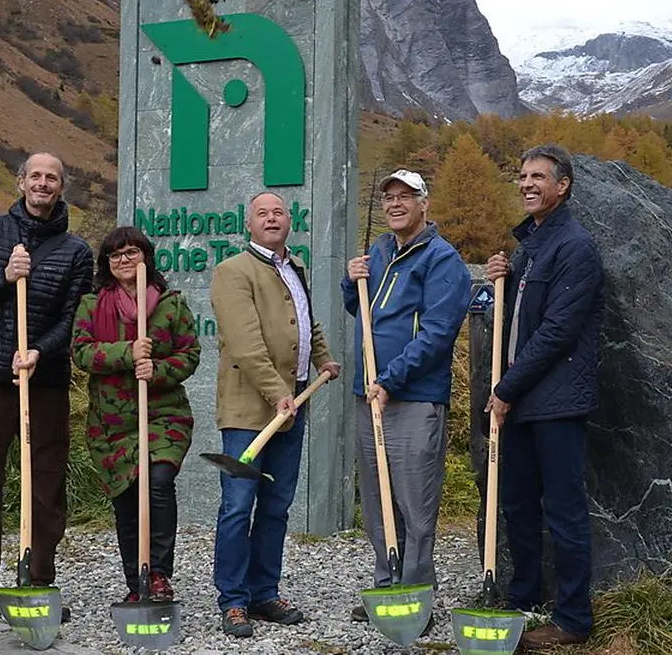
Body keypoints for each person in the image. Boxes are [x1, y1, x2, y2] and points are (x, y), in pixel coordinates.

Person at [0, 152, 93, 620]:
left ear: (61, 187)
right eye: (36, 176)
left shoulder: (76, 251)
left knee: (46, 485)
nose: (43, 184)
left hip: (44, 381)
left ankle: (39, 580)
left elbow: (73, 318)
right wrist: (3, 277)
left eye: (52, 177)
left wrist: (39, 352)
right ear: (20, 181)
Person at [484, 144, 603, 650]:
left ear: (563, 185)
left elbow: (556, 332)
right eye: (523, 175)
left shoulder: (575, 247)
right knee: (517, 504)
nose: (527, 183)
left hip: (556, 401)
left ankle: (574, 621)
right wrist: (502, 283)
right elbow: (520, 319)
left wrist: (505, 389)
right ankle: (524, 600)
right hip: (526, 401)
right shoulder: (531, 247)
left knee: (564, 511)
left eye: (539, 177)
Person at [342, 169, 471, 624]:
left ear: (424, 204)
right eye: (390, 197)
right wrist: (350, 279)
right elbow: (362, 308)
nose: (396, 204)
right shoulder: (378, 250)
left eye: (406, 197)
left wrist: (391, 379)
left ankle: (417, 596)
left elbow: (437, 335)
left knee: (415, 503)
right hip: (370, 393)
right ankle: (386, 588)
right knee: (378, 499)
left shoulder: (442, 260)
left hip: (413, 398)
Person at [209, 191, 341, 637]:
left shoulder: (293, 267)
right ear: (249, 223)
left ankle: (264, 591)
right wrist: (276, 392)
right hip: (250, 411)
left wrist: (322, 356)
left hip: (293, 402)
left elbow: (305, 323)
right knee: (238, 505)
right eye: (262, 213)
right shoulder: (233, 272)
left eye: (279, 212)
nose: (272, 218)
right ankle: (233, 600)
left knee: (277, 505)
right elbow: (245, 344)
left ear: (290, 221)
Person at [70, 226, 201, 603]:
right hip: (112, 424)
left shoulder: (170, 304)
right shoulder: (92, 306)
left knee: (158, 482)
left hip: (163, 416)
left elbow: (190, 354)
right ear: (106, 264)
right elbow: (81, 354)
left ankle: (158, 573)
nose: (124, 260)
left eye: (132, 253)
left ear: (146, 257)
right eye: (116, 255)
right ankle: (136, 582)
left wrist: (157, 371)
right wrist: (128, 353)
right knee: (126, 498)